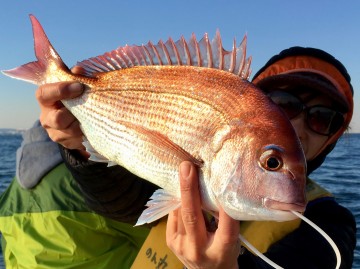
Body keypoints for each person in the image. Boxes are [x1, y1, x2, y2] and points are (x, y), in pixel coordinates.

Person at [2, 46, 356, 268]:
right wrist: (78, 144)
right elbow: (125, 205)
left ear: (334, 138)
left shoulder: (329, 223)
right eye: (285, 104)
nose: (298, 124)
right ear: (258, 106)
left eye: (323, 118)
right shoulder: (206, 166)